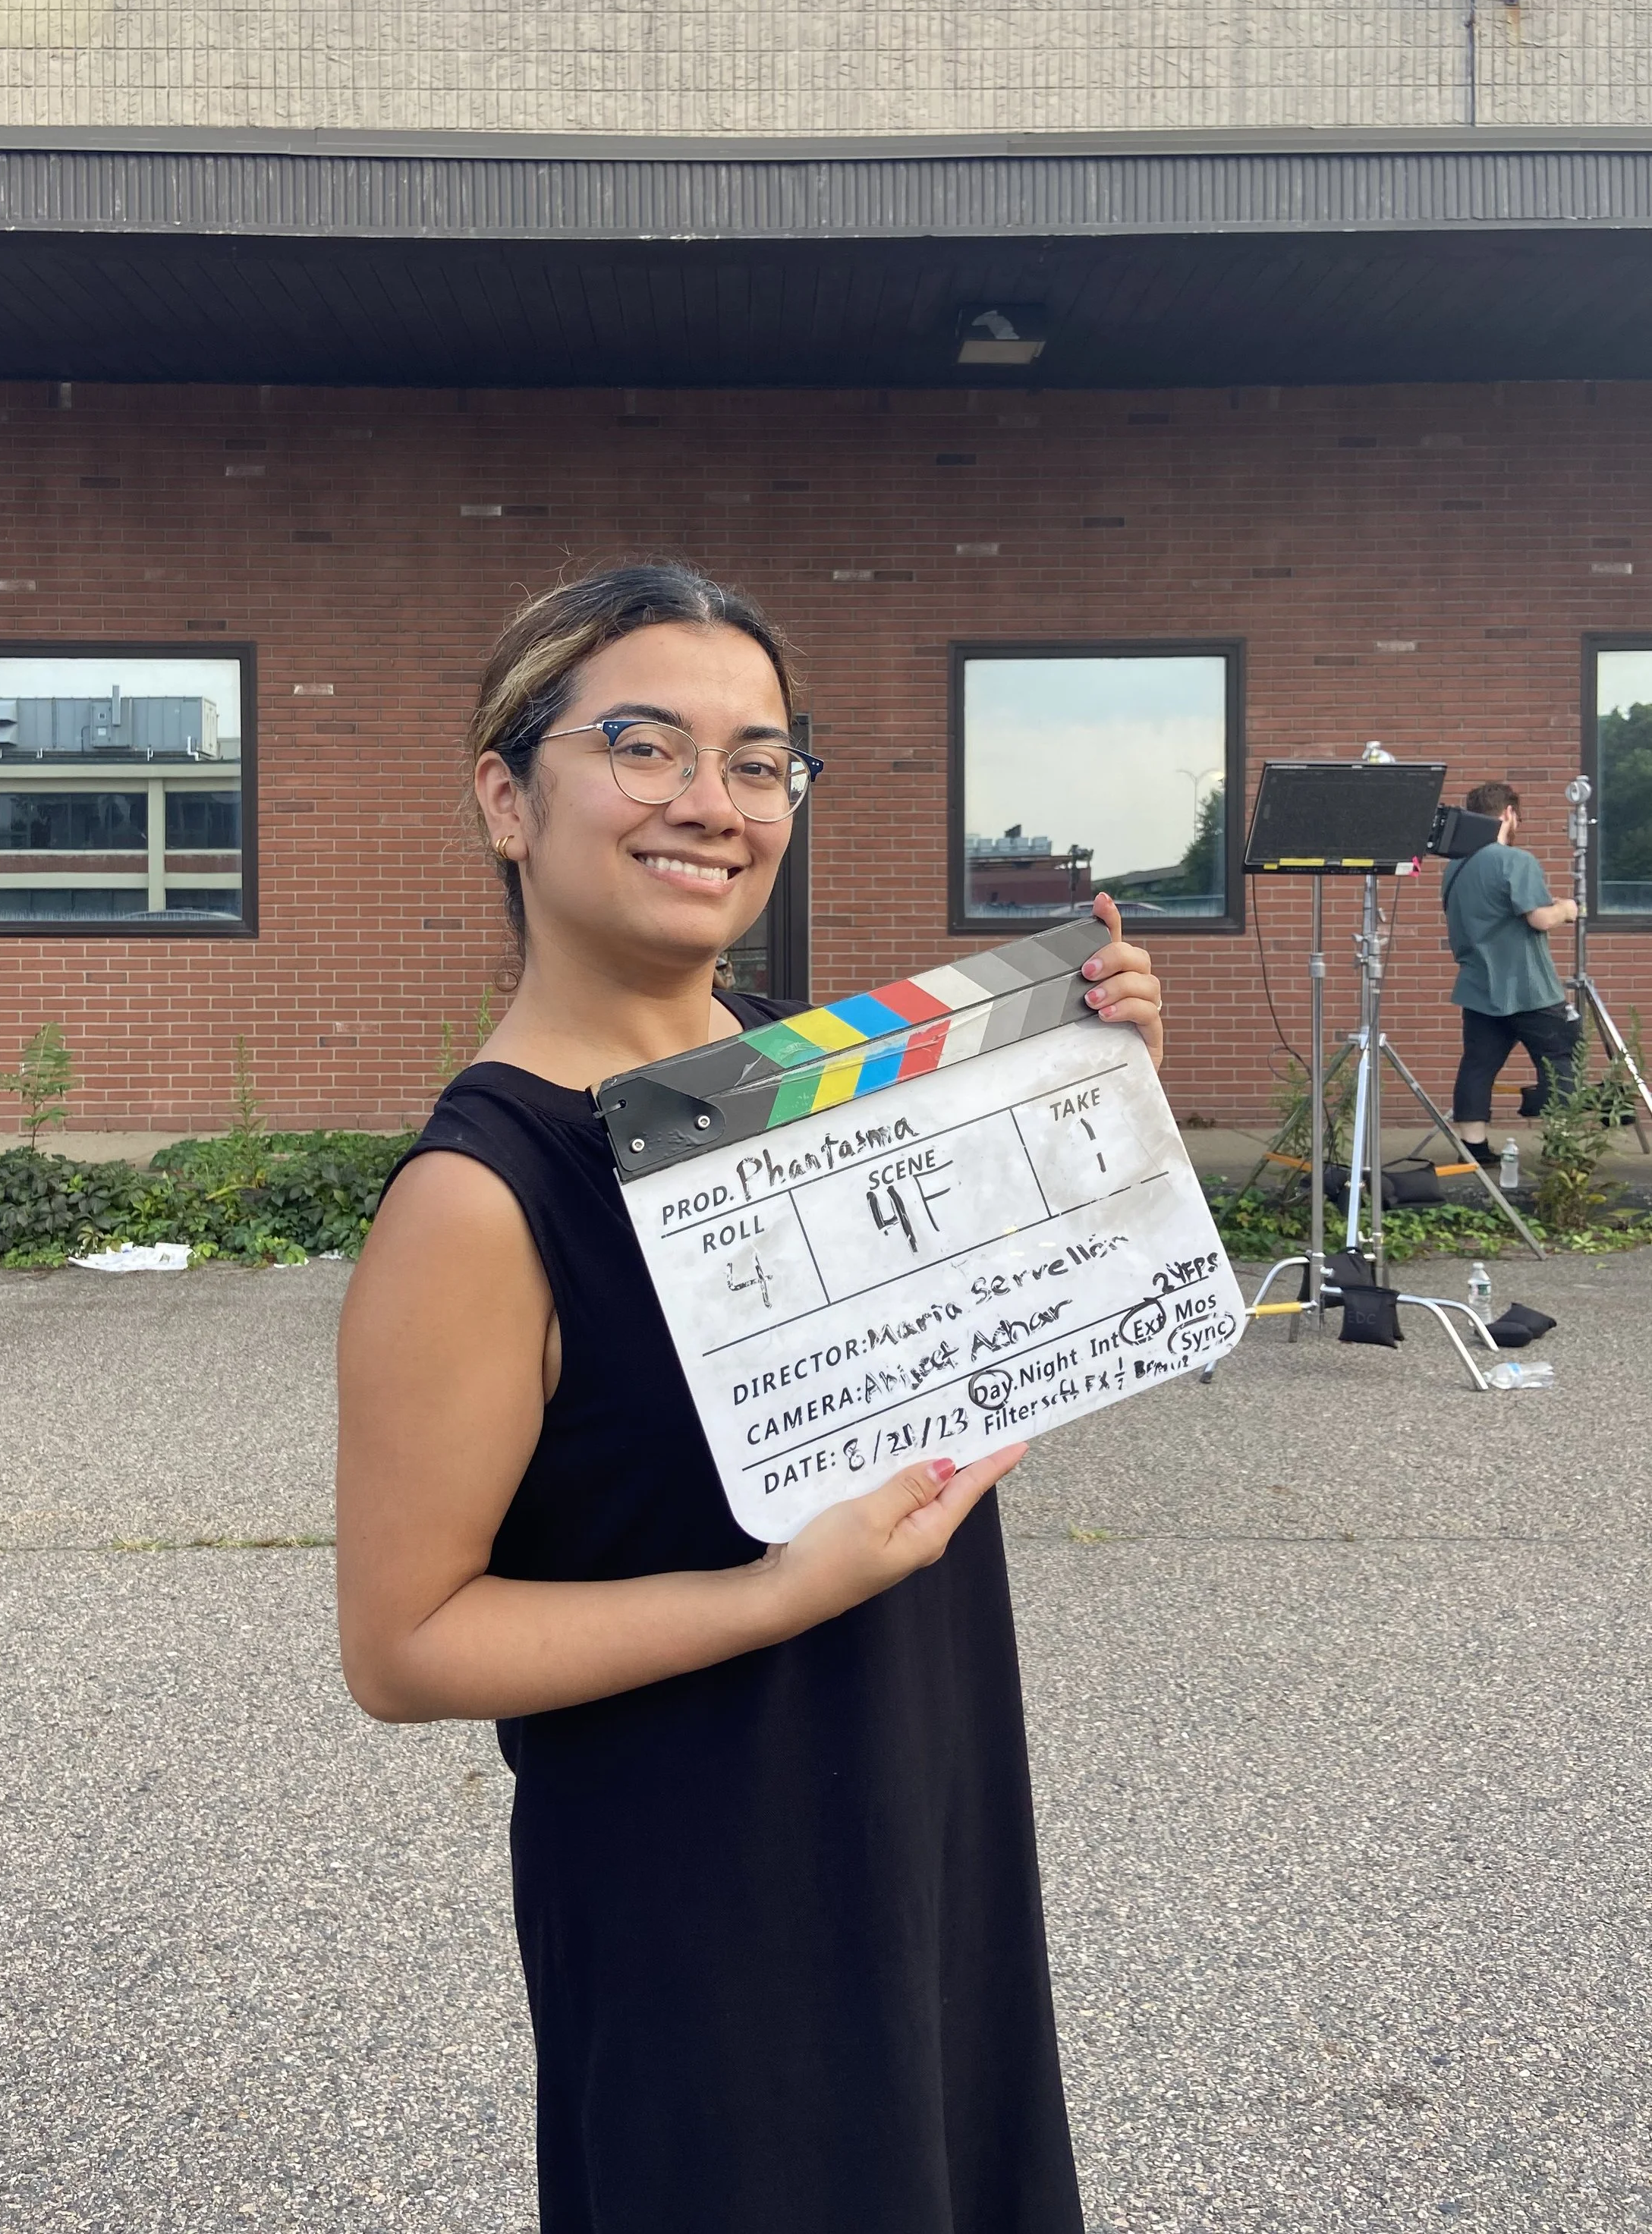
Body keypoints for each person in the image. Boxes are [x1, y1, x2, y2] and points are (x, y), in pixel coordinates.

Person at [335, 563, 1166, 2234]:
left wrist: (1085, 1111)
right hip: (696, 1893)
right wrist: (769, 1592)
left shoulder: (816, 1076)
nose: (708, 804)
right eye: (641, 747)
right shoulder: (479, 1199)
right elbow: (404, 1644)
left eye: (758, 760)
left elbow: (994, 1350)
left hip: (924, 1802)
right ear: (507, 795)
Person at [1443, 778, 1580, 1166]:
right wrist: (1567, 909)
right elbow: (1538, 919)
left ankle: (1473, 1147)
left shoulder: (1454, 868)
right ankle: (1562, 1146)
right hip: (1529, 987)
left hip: (1479, 986)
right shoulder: (1515, 861)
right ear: (1508, 814)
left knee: (1477, 1065)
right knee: (1561, 1060)